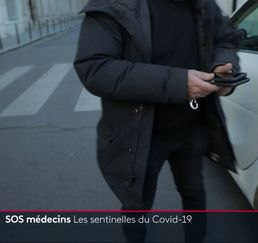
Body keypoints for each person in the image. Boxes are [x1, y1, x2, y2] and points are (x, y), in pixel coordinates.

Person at [74, 0, 240, 242]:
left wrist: (224, 68)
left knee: (194, 192)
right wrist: (177, 83)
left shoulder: (203, 4)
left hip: (192, 128)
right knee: (137, 203)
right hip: (141, 135)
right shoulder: (115, 5)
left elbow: (225, 39)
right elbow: (95, 68)